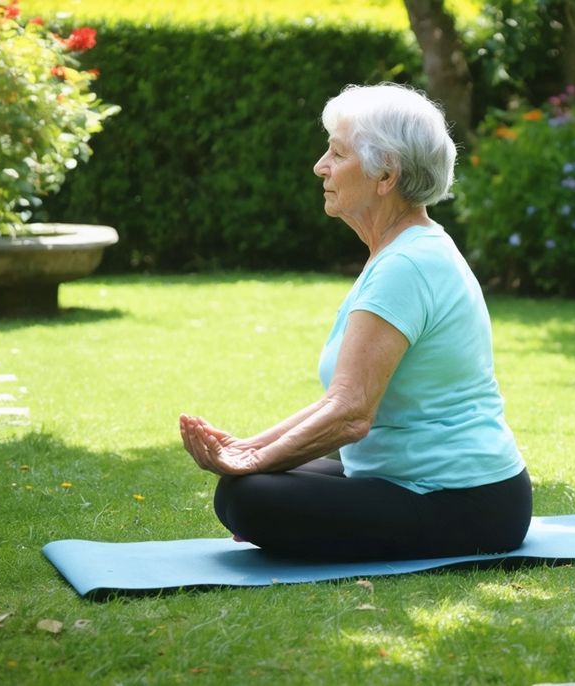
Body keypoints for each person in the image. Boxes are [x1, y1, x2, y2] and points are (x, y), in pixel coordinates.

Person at [178, 83, 531, 560]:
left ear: (386, 174)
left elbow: (350, 413)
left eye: (337, 153)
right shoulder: (403, 251)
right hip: (416, 483)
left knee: (249, 497)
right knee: (246, 486)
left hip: (466, 500)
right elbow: (340, 401)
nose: (320, 166)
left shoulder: (407, 265)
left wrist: (252, 460)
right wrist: (246, 450)